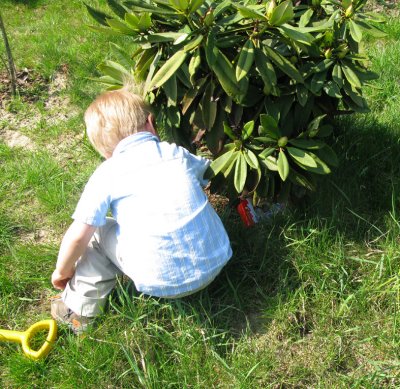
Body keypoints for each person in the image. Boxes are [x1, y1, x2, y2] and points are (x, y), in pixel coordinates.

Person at [50, 87, 232, 333]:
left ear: (104, 150)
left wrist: (62, 271)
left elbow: (77, 236)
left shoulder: (108, 172)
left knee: (96, 232)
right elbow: (206, 171)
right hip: (217, 260)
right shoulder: (174, 153)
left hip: (161, 282)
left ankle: (78, 310)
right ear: (150, 122)